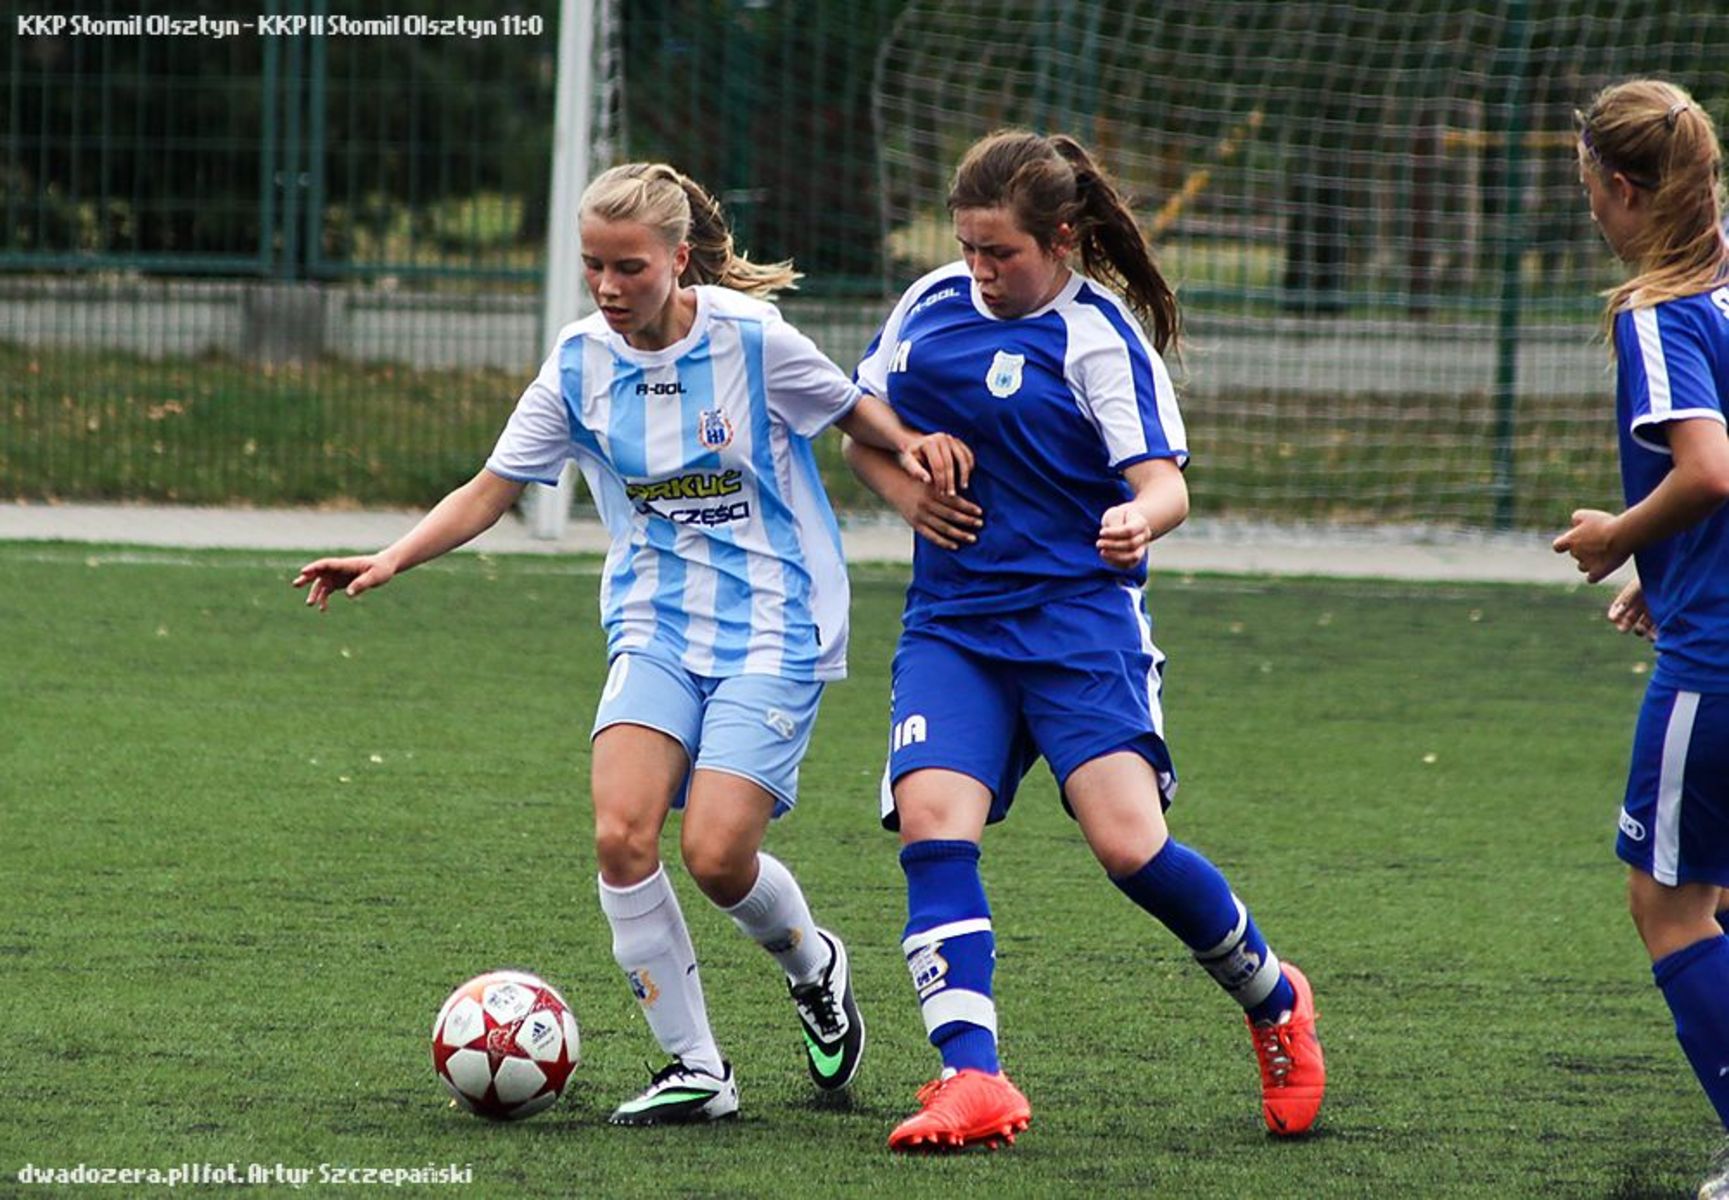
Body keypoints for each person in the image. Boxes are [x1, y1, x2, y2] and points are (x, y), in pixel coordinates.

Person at [294, 162, 968, 1127]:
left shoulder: (753, 342)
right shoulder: (575, 363)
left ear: (678, 259)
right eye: (591, 267)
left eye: (628, 268)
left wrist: (914, 452)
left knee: (718, 857)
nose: (608, 288)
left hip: (776, 625)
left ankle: (813, 964)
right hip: (653, 624)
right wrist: (393, 556)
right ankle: (697, 1066)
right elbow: (492, 486)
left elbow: (854, 414)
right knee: (620, 835)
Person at [844, 129, 1325, 1152]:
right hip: (954, 626)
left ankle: (1273, 997)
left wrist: (1137, 519)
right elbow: (861, 427)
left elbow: (1164, 482)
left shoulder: (1098, 336)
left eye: (1000, 253)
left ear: (1060, 239)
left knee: (1126, 846)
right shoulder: (929, 306)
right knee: (934, 828)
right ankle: (971, 1076)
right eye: (967, 246)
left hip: (1075, 626)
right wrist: (905, 490)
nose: (978, 269)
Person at [1555, 79, 1729, 1200]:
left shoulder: (1658, 312)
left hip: (1717, 665)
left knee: (1667, 902)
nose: (1588, 214)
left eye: (1588, 191)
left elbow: (1707, 470)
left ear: (1623, 190)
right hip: (1705, 608)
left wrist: (1617, 537)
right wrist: (1664, 577)